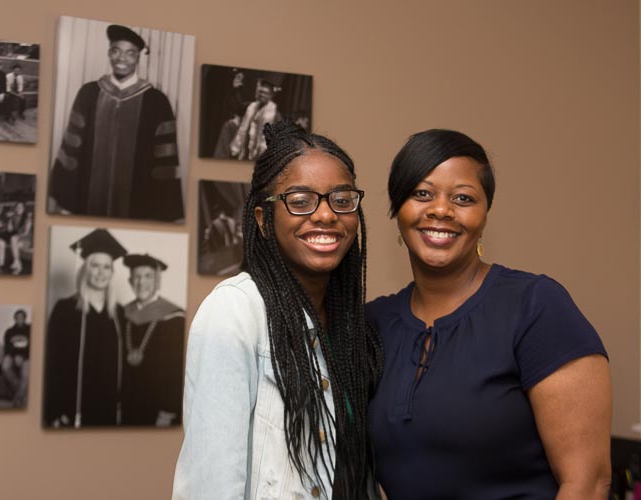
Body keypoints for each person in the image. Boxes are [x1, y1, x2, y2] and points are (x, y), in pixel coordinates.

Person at [367, 129, 612, 498]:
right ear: (397, 208)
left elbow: (588, 483)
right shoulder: (373, 324)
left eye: (463, 198)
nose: (441, 210)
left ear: (484, 215)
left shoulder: (535, 306)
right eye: (422, 193)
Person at [172, 120, 383, 499]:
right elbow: (210, 485)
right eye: (300, 201)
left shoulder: (352, 326)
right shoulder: (236, 310)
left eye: (342, 199)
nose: (325, 215)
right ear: (263, 220)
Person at [49, 24, 184, 222]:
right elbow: (71, 151)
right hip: (87, 201)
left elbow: (165, 164)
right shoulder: (88, 93)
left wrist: (163, 210)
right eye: (116, 51)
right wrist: (66, 200)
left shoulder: (157, 102)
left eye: (130, 53)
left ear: (138, 57)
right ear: (109, 54)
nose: (122, 59)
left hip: (137, 205)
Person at [43, 229, 127, 428]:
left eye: (107, 267)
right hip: (73, 408)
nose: (101, 273)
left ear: (112, 273)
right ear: (85, 269)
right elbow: (51, 362)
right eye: (95, 265)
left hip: (108, 408)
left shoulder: (119, 314)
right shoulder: (65, 309)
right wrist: (54, 409)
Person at [118, 253, 185, 426]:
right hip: (125, 406)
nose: (141, 282)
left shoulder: (175, 318)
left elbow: (177, 370)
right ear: (130, 281)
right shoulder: (122, 314)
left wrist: (168, 411)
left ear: (157, 280)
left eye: (148, 276)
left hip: (158, 411)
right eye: (137, 276)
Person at [230, 79, 281, 160]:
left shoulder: (275, 114)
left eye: (265, 93)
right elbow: (238, 107)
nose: (262, 95)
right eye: (261, 91)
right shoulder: (251, 106)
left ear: (271, 96)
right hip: (246, 149)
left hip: (261, 153)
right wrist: (236, 90)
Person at [212, 69, 247, 159]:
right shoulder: (228, 91)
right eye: (238, 77)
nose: (240, 80)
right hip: (227, 122)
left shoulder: (239, 92)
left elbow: (240, 107)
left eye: (241, 78)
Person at [1, 309, 30, 406]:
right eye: (17, 317)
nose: (19, 319)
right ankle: (19, 388)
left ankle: (17, 400)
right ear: (14, 319)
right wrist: (15, 356)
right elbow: (7, 348)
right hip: (12, 355)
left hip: (27, 357)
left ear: (25, 318)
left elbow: (34, 347)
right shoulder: (9, 331)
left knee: (26, 374)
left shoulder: (31, 329)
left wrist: (23, 356)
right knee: (5, 366)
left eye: (21, 317)